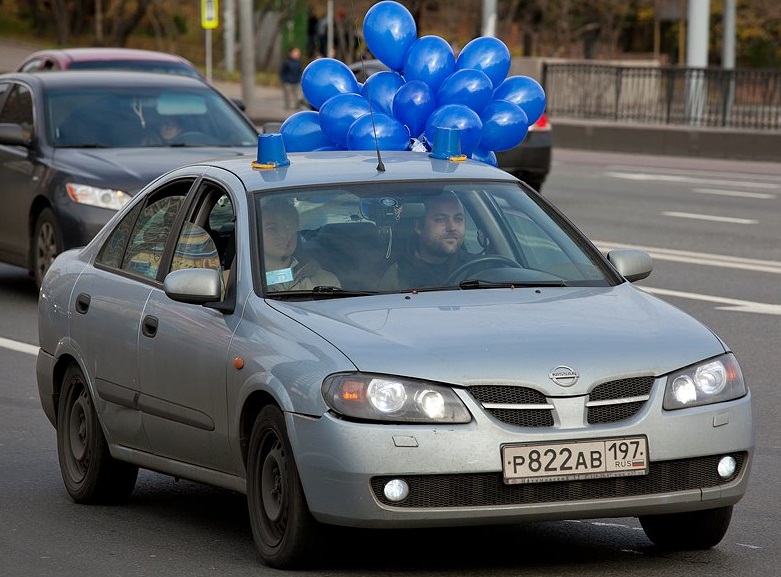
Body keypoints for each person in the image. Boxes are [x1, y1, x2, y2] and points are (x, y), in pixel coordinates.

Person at [382, 192, 475, 290]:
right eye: (440, 219)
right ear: (419, 227)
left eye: (458, 219)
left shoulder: (479, 268)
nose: (452, 227)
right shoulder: (395, 274)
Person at [262, 197, 340, 291]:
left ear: (296, 232)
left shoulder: (326, 282)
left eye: (288, 227)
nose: (282, 235)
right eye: (272, 228)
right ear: (256, 233)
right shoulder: (243, 281)